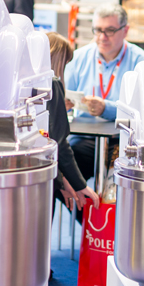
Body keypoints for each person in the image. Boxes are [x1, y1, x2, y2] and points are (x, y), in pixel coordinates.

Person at [63, 3, 144, 185]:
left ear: (125, 30)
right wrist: (64, 105)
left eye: (110, 30)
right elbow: (65, 98)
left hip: (122, 140)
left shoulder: (141, 63)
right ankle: (80, 204)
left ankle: (108, 202)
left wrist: (105, 108)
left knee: (121, 180)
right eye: (97, 30)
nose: (102, 37)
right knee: (63, 172)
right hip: (85, 138)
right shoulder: (78, 58)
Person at [46, 32, 100, 214]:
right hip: (45, 176)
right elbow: (59, 142)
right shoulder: (53, 84)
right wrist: (80, 185)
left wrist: (62, 181)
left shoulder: (23, 81)